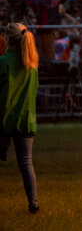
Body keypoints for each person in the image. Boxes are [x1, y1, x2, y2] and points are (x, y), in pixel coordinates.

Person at [0, 23, 39, 213]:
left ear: (8, 39)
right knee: (26, 163)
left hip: (4, 119)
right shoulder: (32, 64)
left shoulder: (4, 61)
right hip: (25, 120)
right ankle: (33, 203)